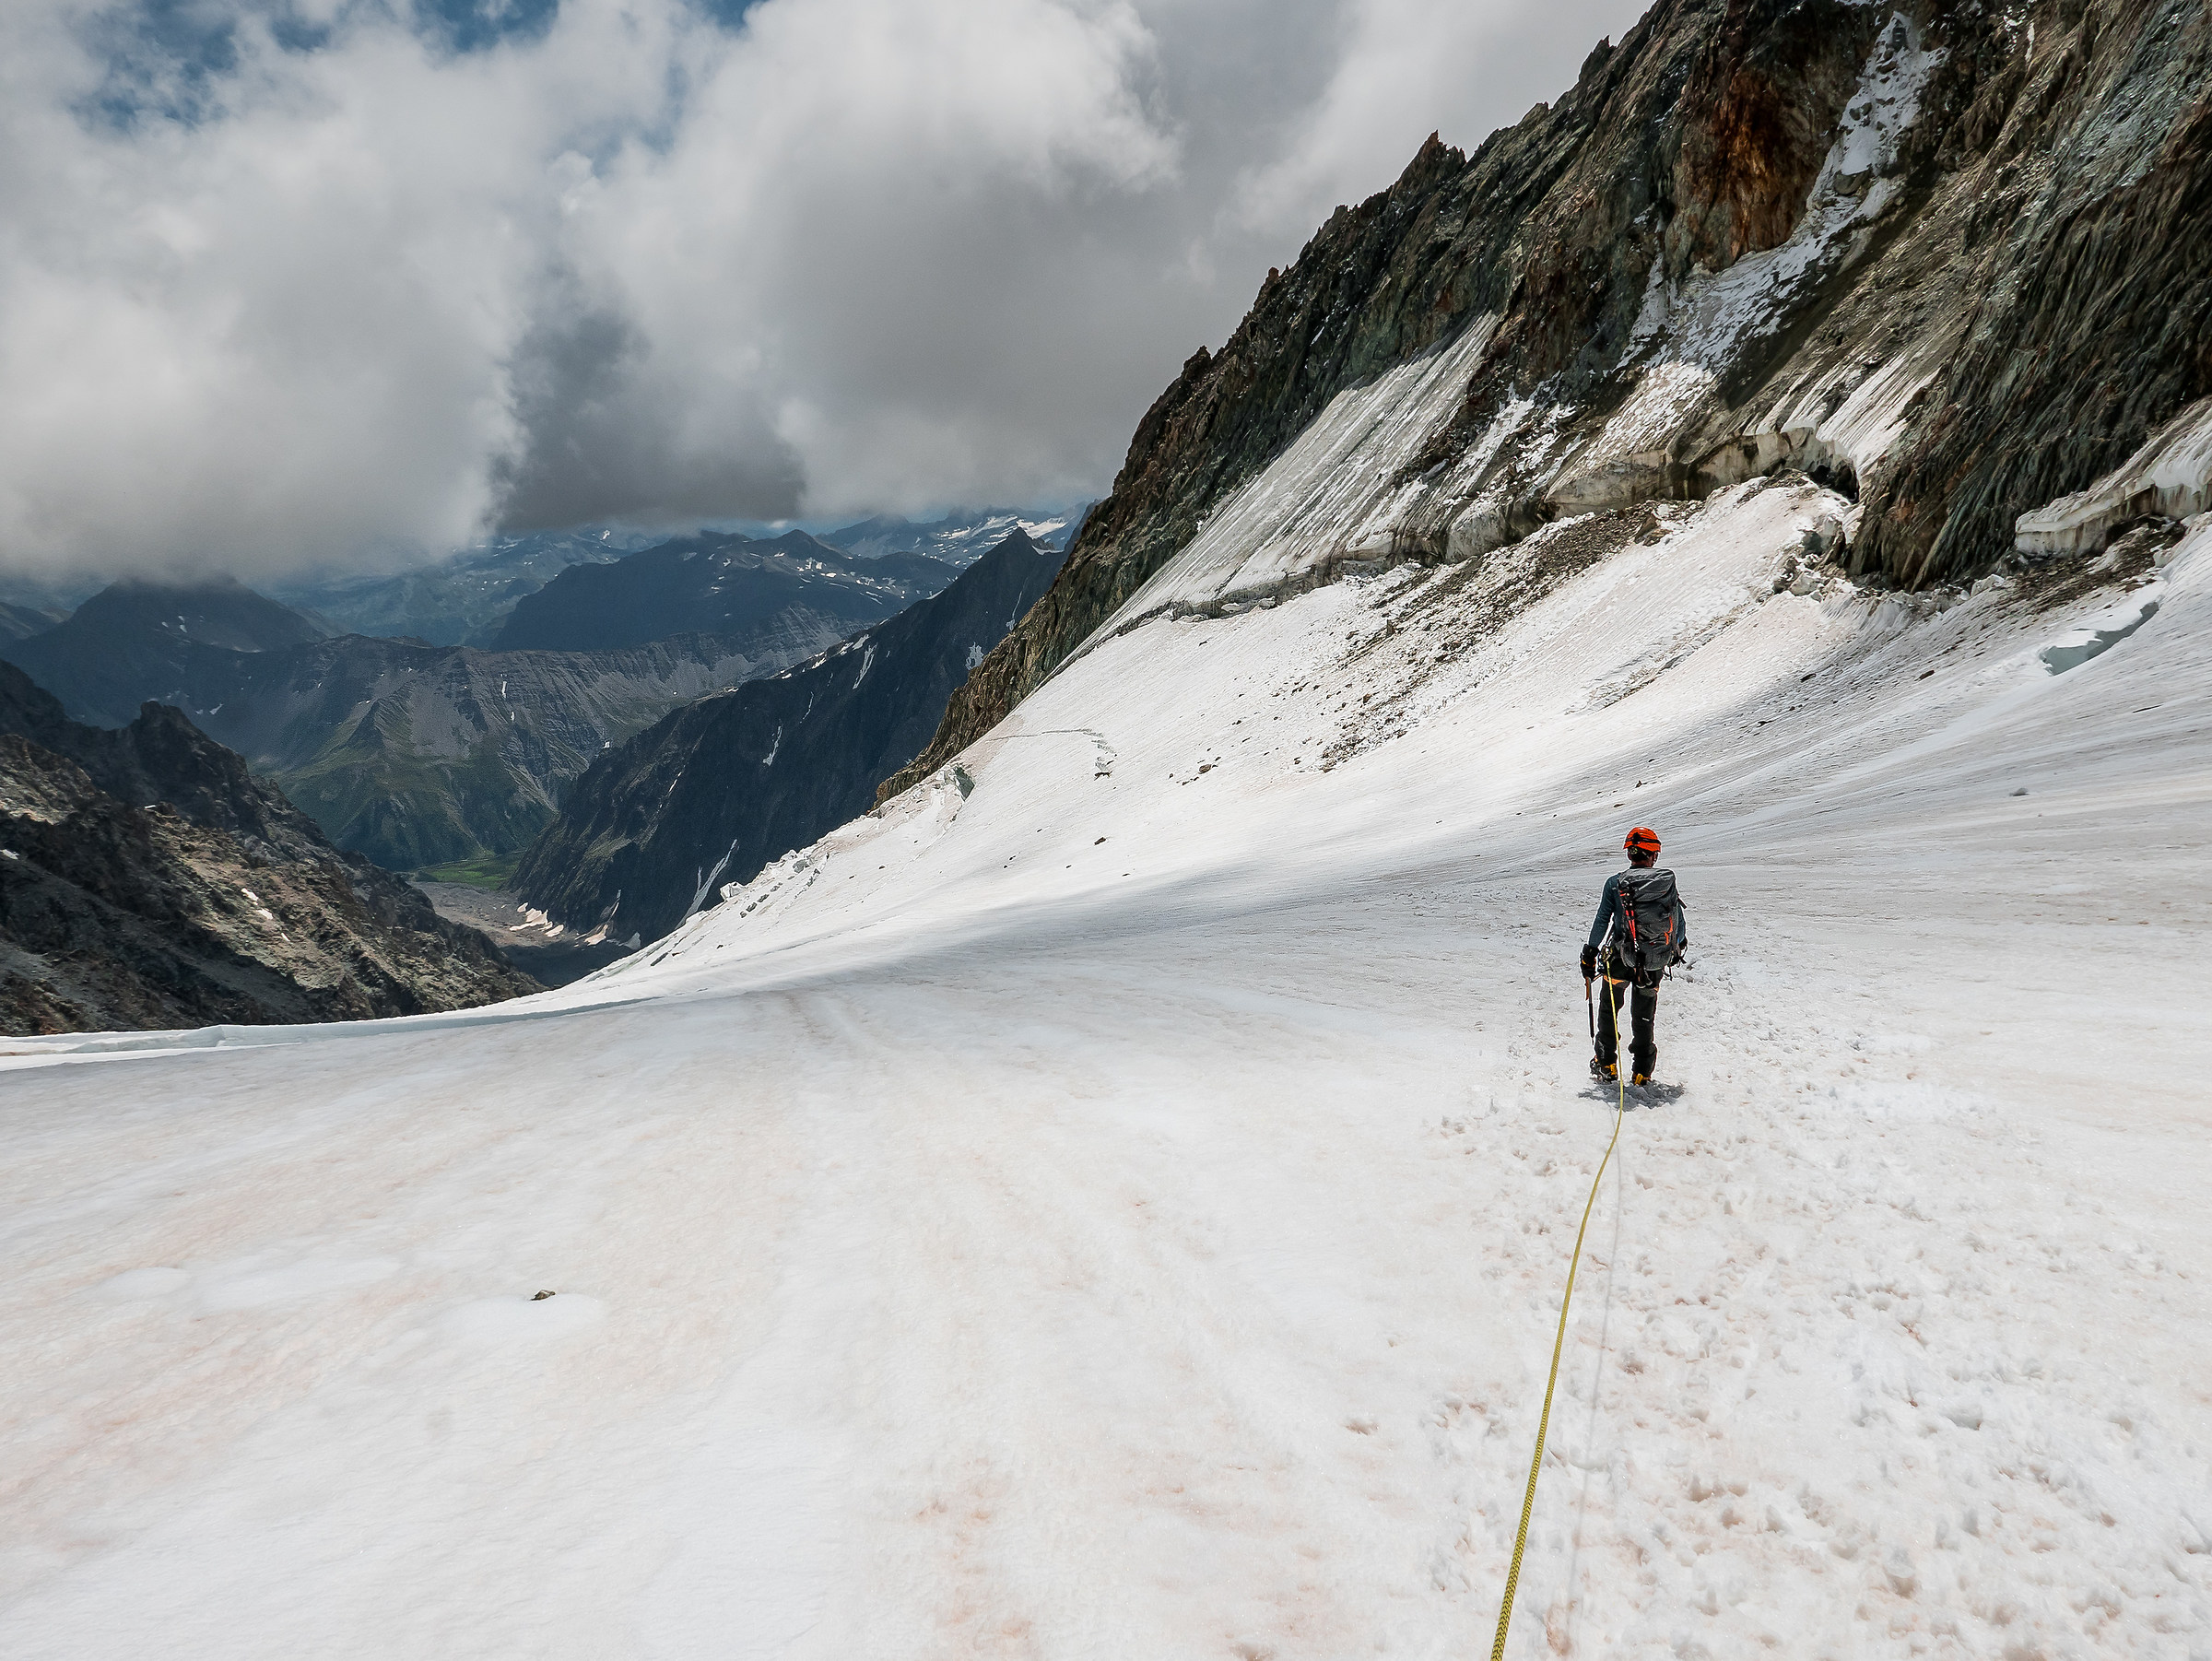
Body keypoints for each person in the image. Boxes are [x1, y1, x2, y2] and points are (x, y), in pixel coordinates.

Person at [1581, 826, 1688, 1086]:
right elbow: (1678, 921)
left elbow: (1602, 920)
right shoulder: (1664, 884)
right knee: (1644, 1015)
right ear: (1654, 855)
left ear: (1630, 853)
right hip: (1652, 959)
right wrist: (1676, 948)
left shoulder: (1615, 883)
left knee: (1610, 1010)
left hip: (1618, 958)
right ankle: (1642, 1070)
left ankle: (1606, 1064)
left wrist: (1590, 951)